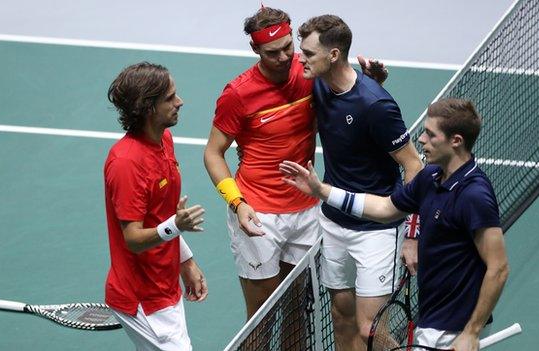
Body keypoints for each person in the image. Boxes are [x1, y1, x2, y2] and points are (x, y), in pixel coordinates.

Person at [203, 6, 390, 321]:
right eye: (272, 52)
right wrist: (237, 203)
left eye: (288, 47)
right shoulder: (238, 94)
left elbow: (350, 102)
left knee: (297, 314)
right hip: (258, 212)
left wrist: (373, 83)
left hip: (306, 208)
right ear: (255, 49)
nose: (284, 57)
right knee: (261, 319)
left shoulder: (309, 74)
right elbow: (213, 152)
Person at [280, 98, 510, 351]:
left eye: (430, 134)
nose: (421, 139)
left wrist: (471, 332)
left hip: (454, 327)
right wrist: (323, 191)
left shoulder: (473, 195)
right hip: (432, 315)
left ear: (456, 141)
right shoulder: (430, 176)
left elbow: (498, 268)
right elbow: (384, 209)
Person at [294, 15, 424, 350]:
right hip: (334, 222)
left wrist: (412, 236)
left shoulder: (375, 105)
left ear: (333, 55)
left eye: (308, 53)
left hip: (375, 230)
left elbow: (414, 167)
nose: (300, 59)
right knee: (340, 316)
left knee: (371, 329)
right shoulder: (320, 82)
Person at [104, 62, 208, 351]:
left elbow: (161, 214)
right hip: (142, 297)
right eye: (170, 98)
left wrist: (185, 261)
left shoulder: (164, 139)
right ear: (148, 107)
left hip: (164, 283)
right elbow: (134, 240)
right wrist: (176, 225)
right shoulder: (126, 163)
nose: (180, 102)